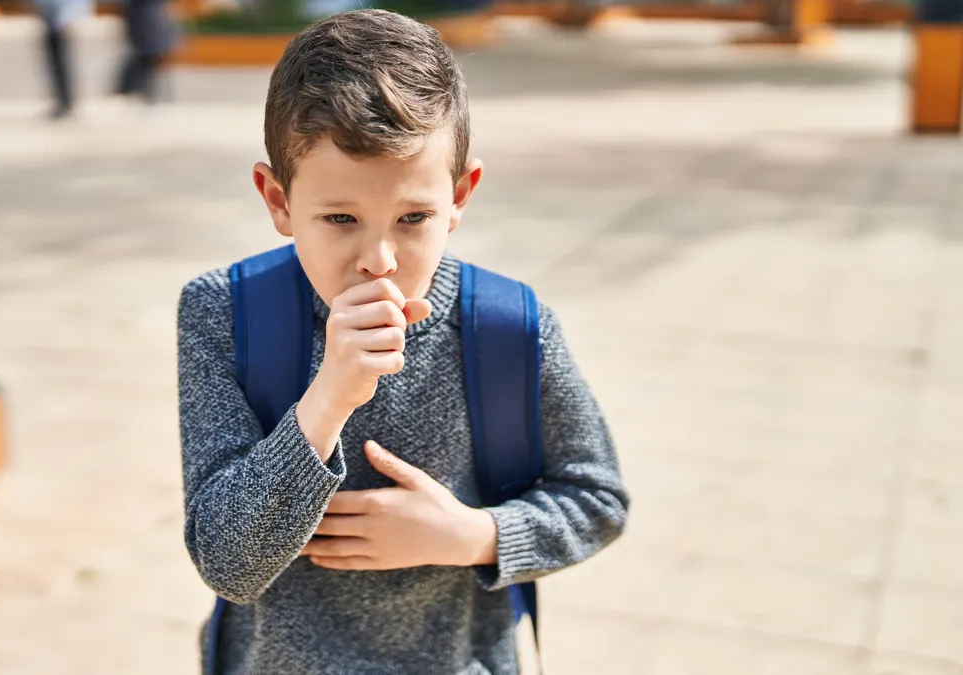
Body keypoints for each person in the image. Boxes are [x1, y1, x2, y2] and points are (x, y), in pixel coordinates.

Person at [177, 9, 630, 675]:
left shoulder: (510, 326)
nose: (379, 259)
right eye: (339, 218)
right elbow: (227, 563)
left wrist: (473, 534)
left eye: (413, 218)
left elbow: (597, 497)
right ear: (277, 199)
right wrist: (328, 398)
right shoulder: (222, 312)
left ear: (460, 196)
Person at [33, 0, 92, 119]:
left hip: (62, 21)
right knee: (55, 62)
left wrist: (66, 18)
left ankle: (66, 101)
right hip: (53, 19)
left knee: (62, 61)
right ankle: (63, 100)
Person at [114, 0, 177, 105]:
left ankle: (133, 96)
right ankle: (131, 95)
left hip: (148, 26)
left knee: (145, 63)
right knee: (142, 62)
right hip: (145, 25)